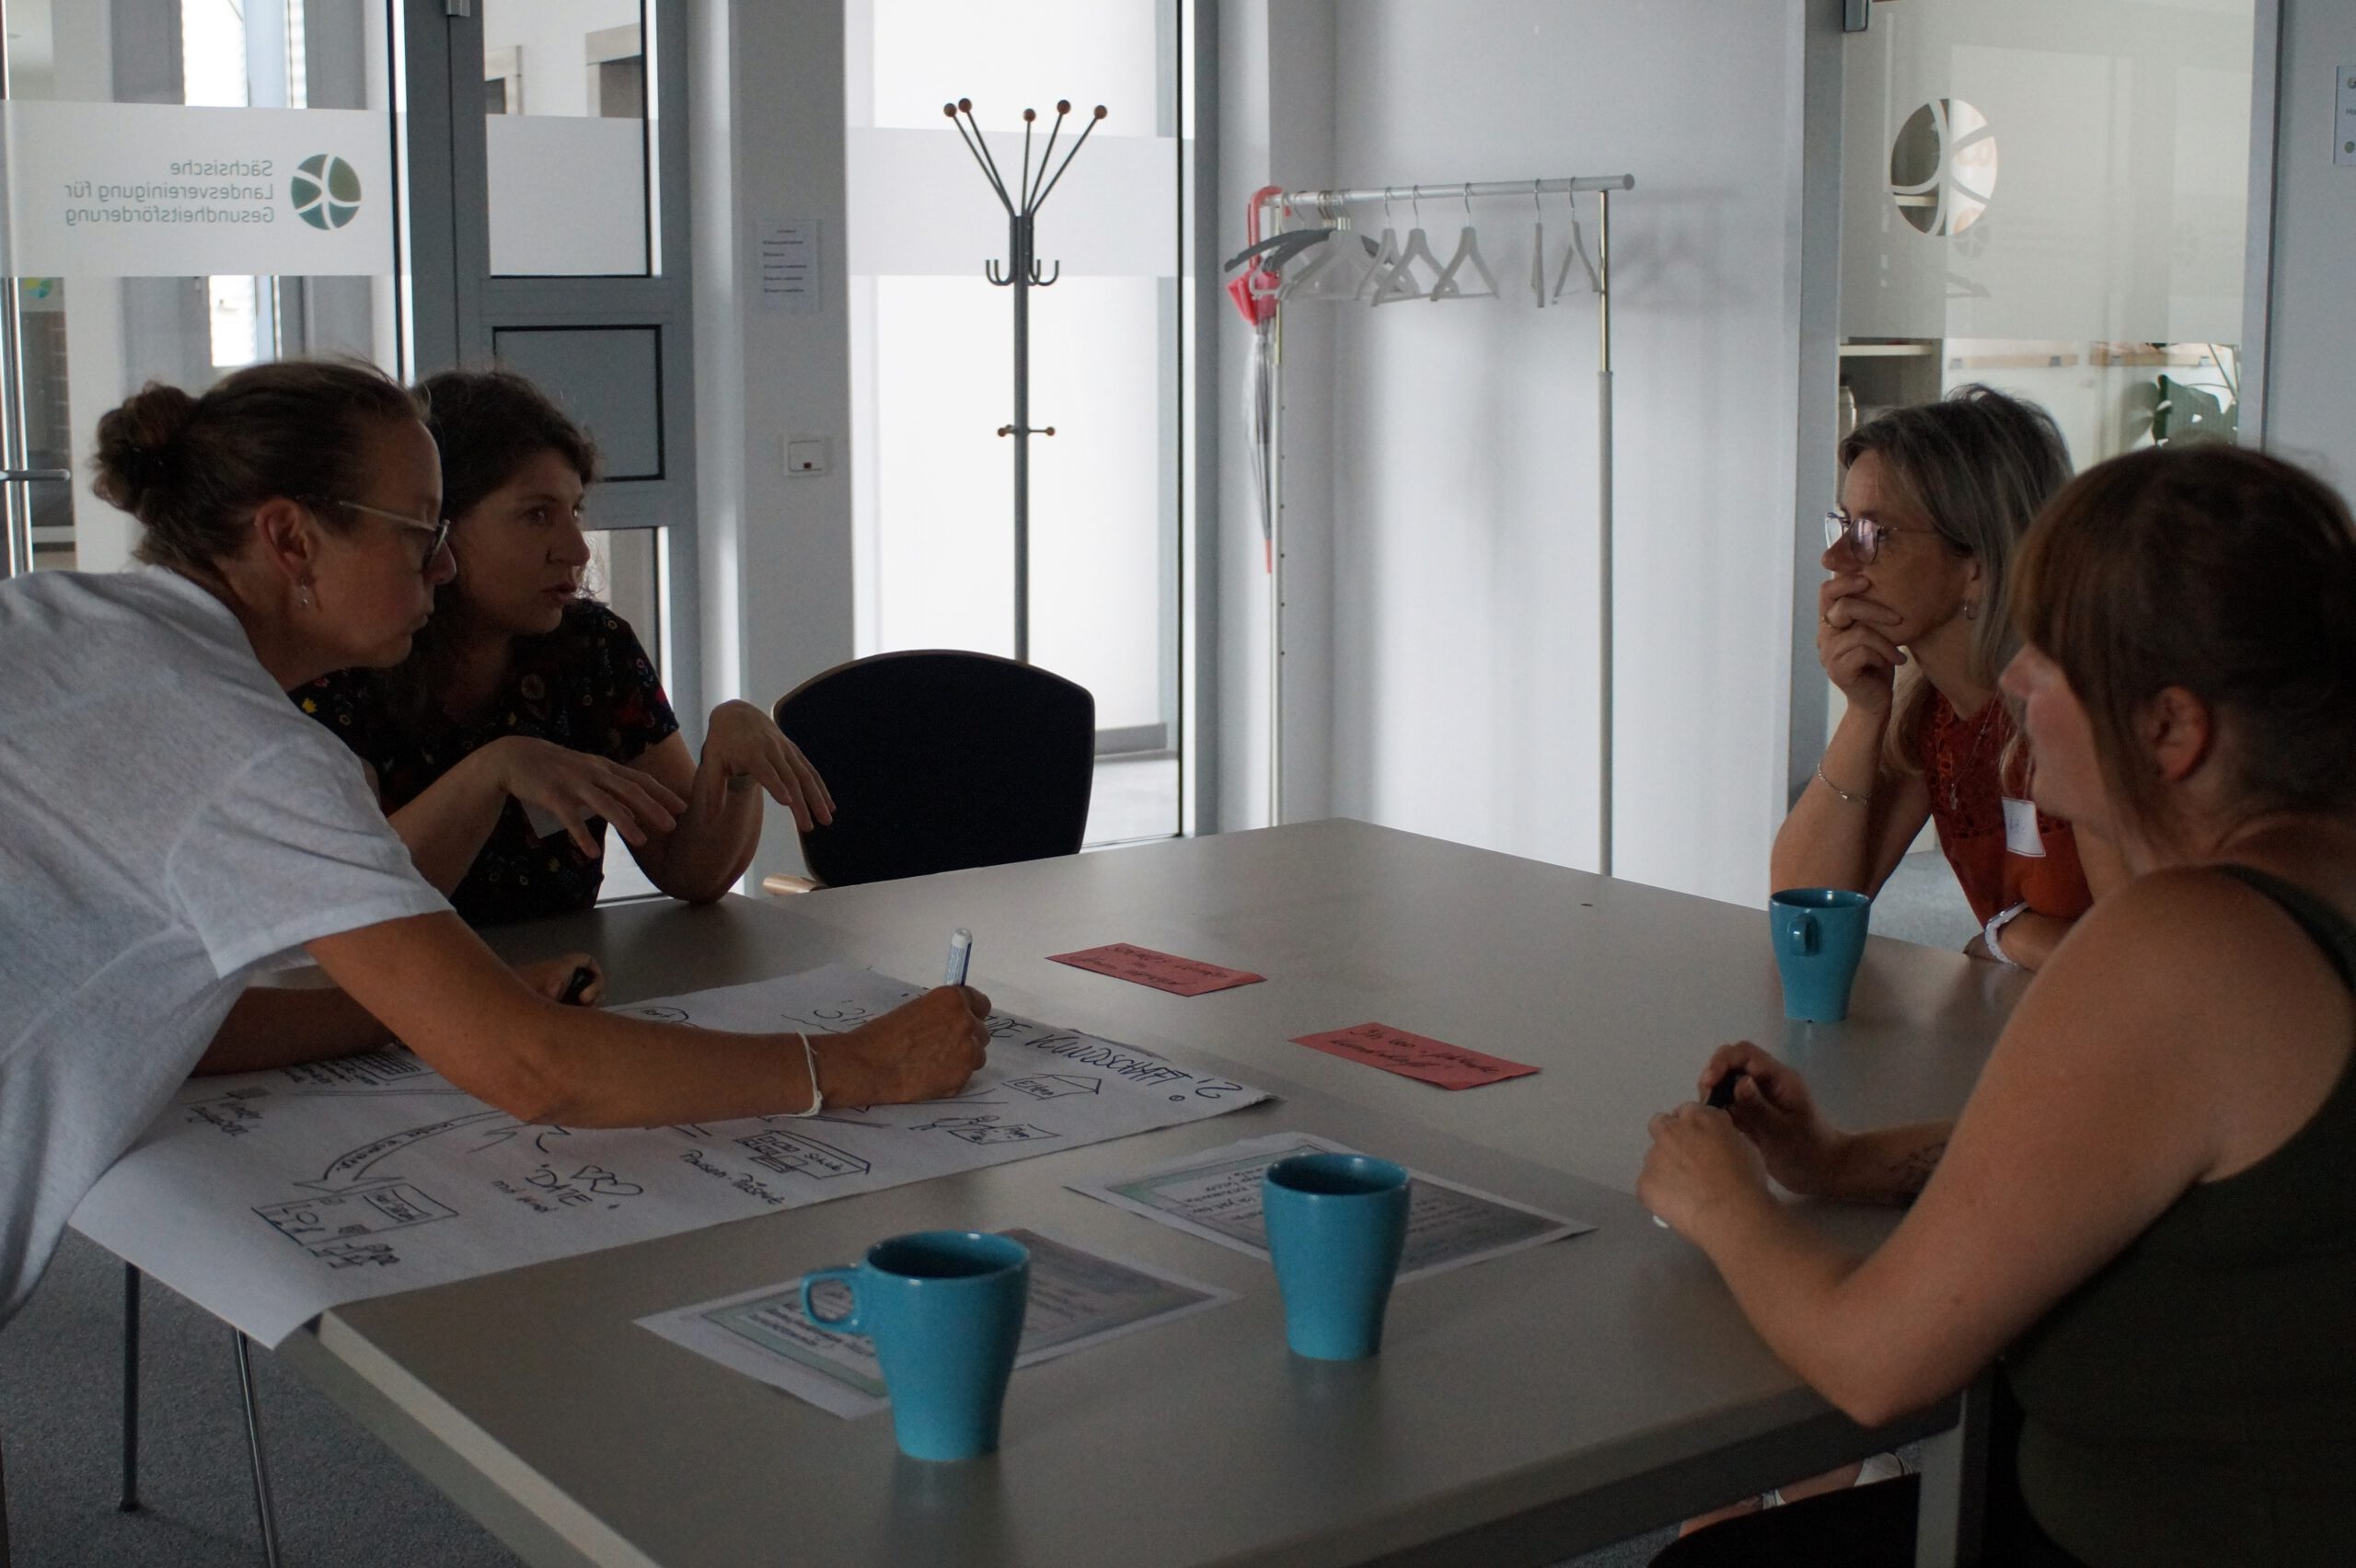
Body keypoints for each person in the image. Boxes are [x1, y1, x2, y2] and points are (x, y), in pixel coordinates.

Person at [0, 360, 986, 1327]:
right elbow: (535, 1071)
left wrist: (425, 1011)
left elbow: (174, 1019)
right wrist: (856, 1066)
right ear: (291, 539)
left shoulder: (54, 617)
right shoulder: (251, 752)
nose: (440, 566)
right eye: (419, 531)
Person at [1644, 444, 2356, 1566]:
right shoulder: (2307, 891)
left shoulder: (2187, 945)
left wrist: (1722, 1201)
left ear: (2172, 730)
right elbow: (2114, 1153)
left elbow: (1874, 1362)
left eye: (2052, 656)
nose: (2014, 683)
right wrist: (1838, 1163)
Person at [294, 366, 830, 924]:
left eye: (573, 511)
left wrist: (732, 771)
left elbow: (689, 870)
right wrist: (491, 772)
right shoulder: (345, 668)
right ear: (437, 523)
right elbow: (355, 910)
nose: (577, 549)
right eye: (536, 515)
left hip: (567, 970)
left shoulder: (593, 648)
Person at [1773, 386, 2119, 972]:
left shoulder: (2071, 714)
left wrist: (2010, 937)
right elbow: (1806, 916)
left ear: (1977, 566)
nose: (1836, 561)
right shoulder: (1933, 713)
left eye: (1874, 533)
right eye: (1844, 525)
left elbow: (2144, 963)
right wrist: (1864, 711)